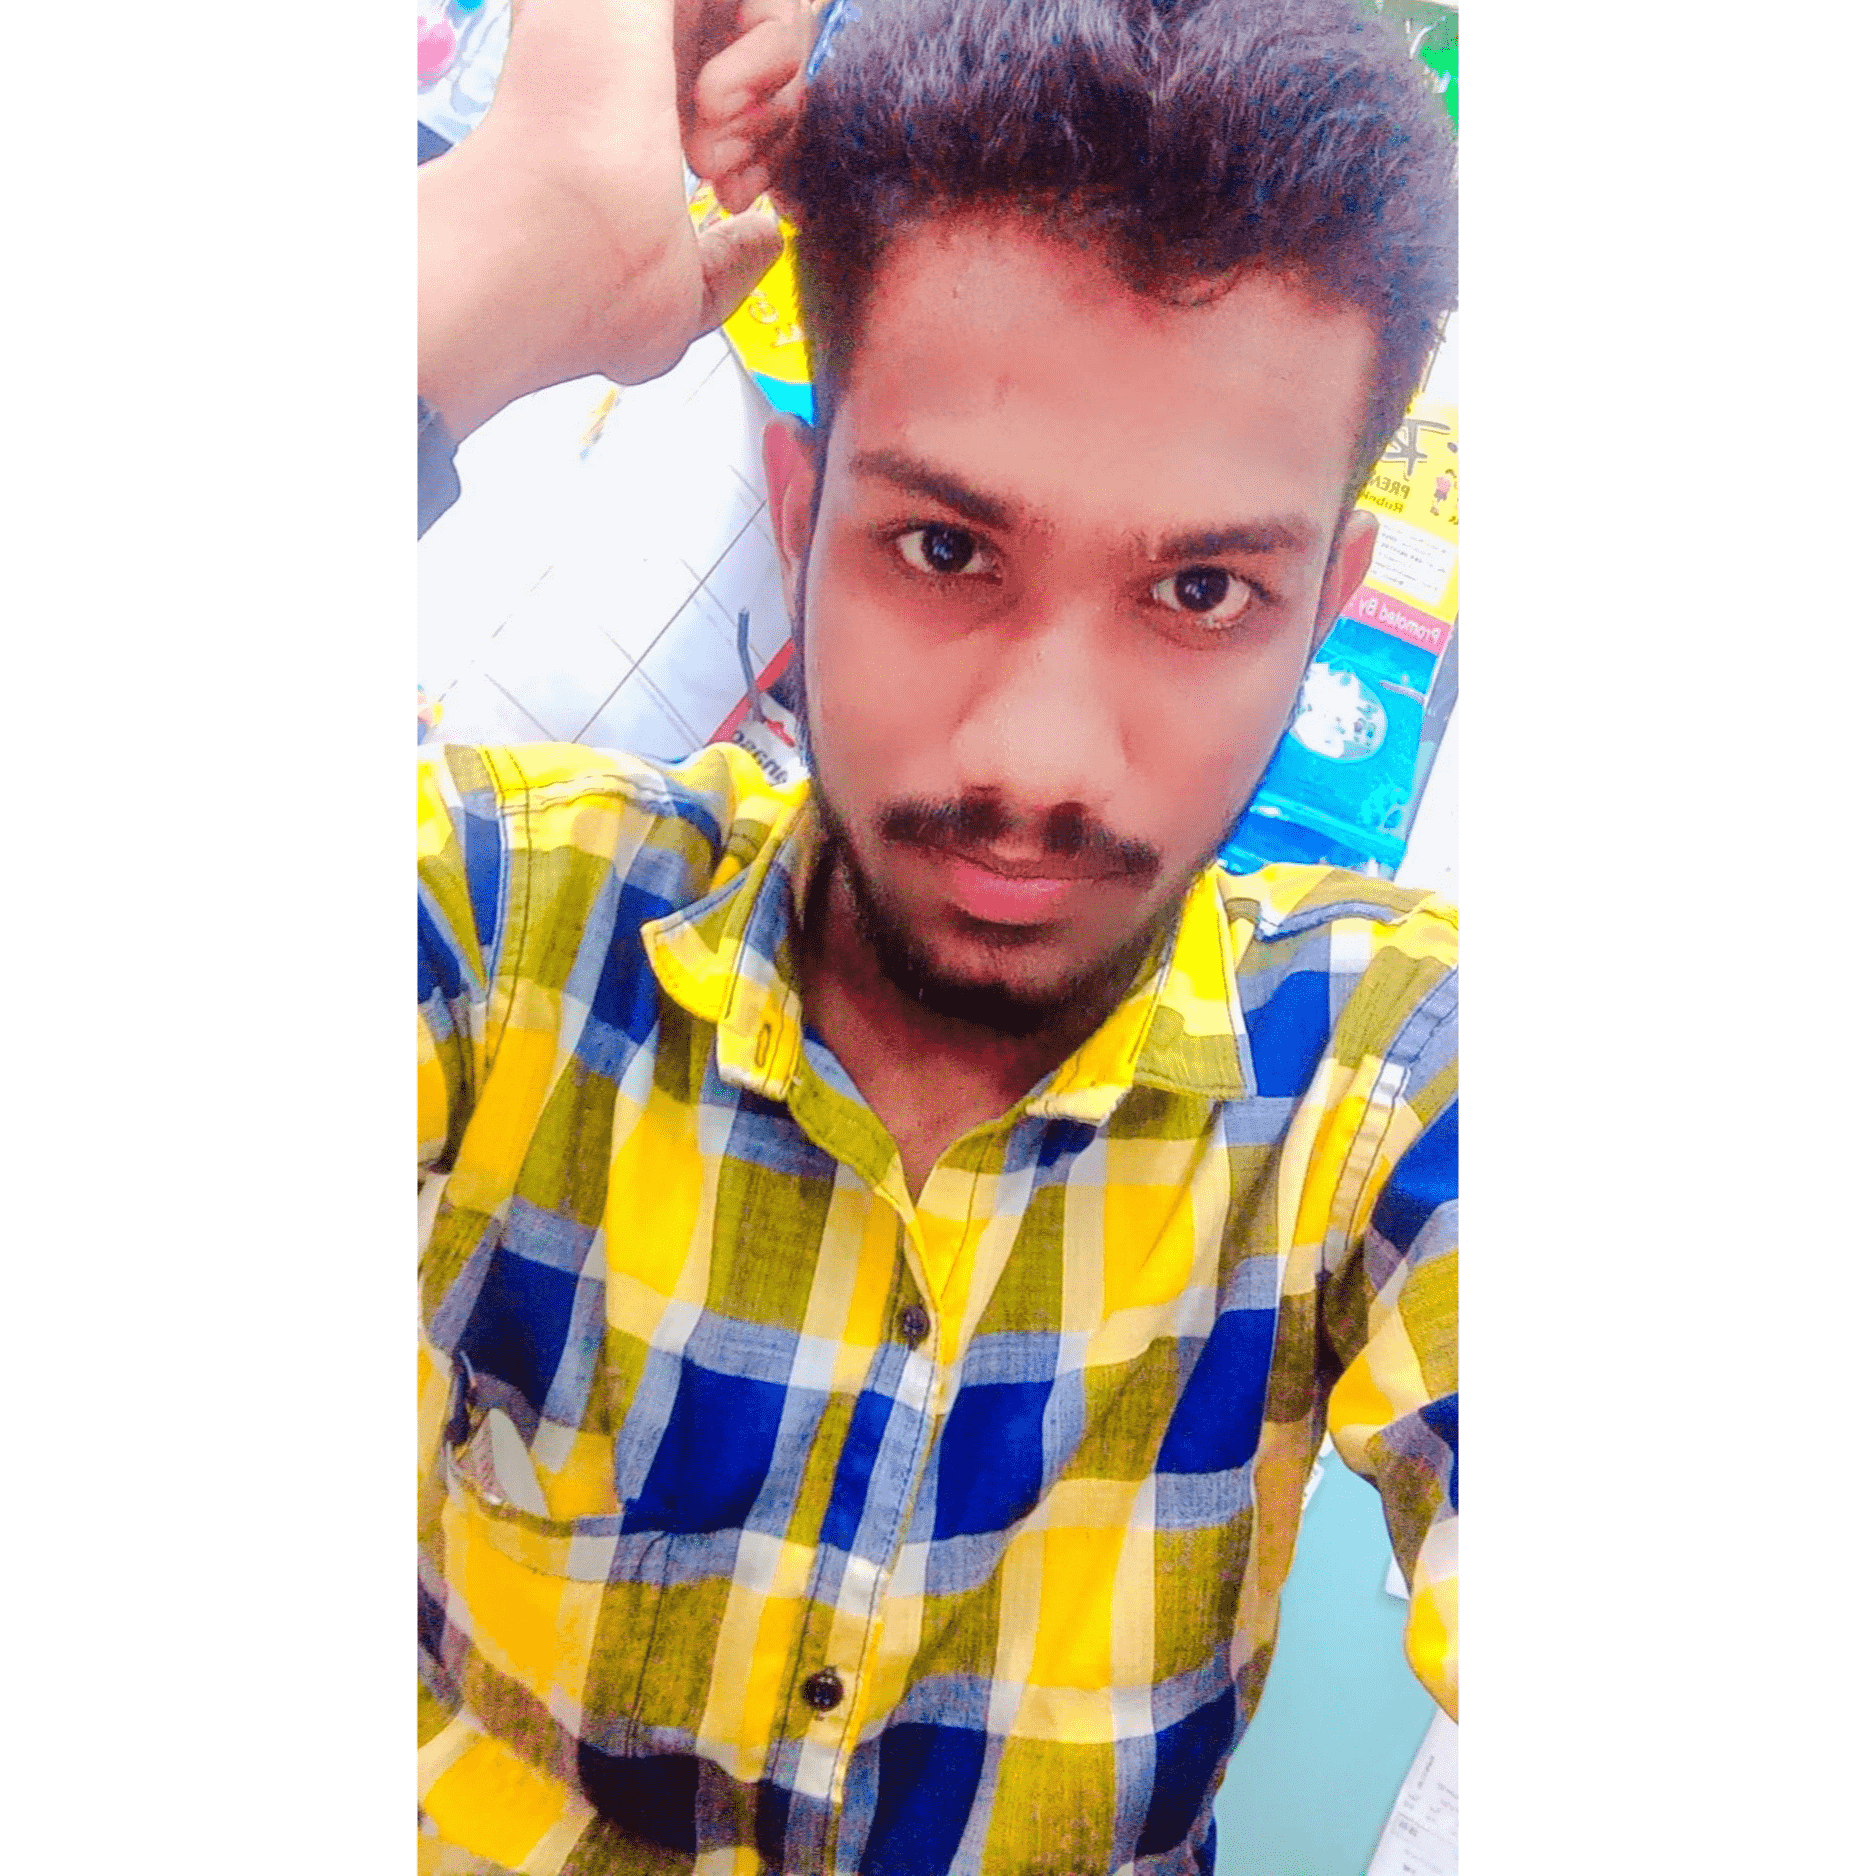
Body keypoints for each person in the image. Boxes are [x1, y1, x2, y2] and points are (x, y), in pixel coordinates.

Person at [416, 1, 1458, 1870]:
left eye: (1203, 589)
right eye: (948, 551)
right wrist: (505, 248)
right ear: (800, 515)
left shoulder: (1382, 1084)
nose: (1038, 759)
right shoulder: (501, 933)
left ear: (1326, 611)